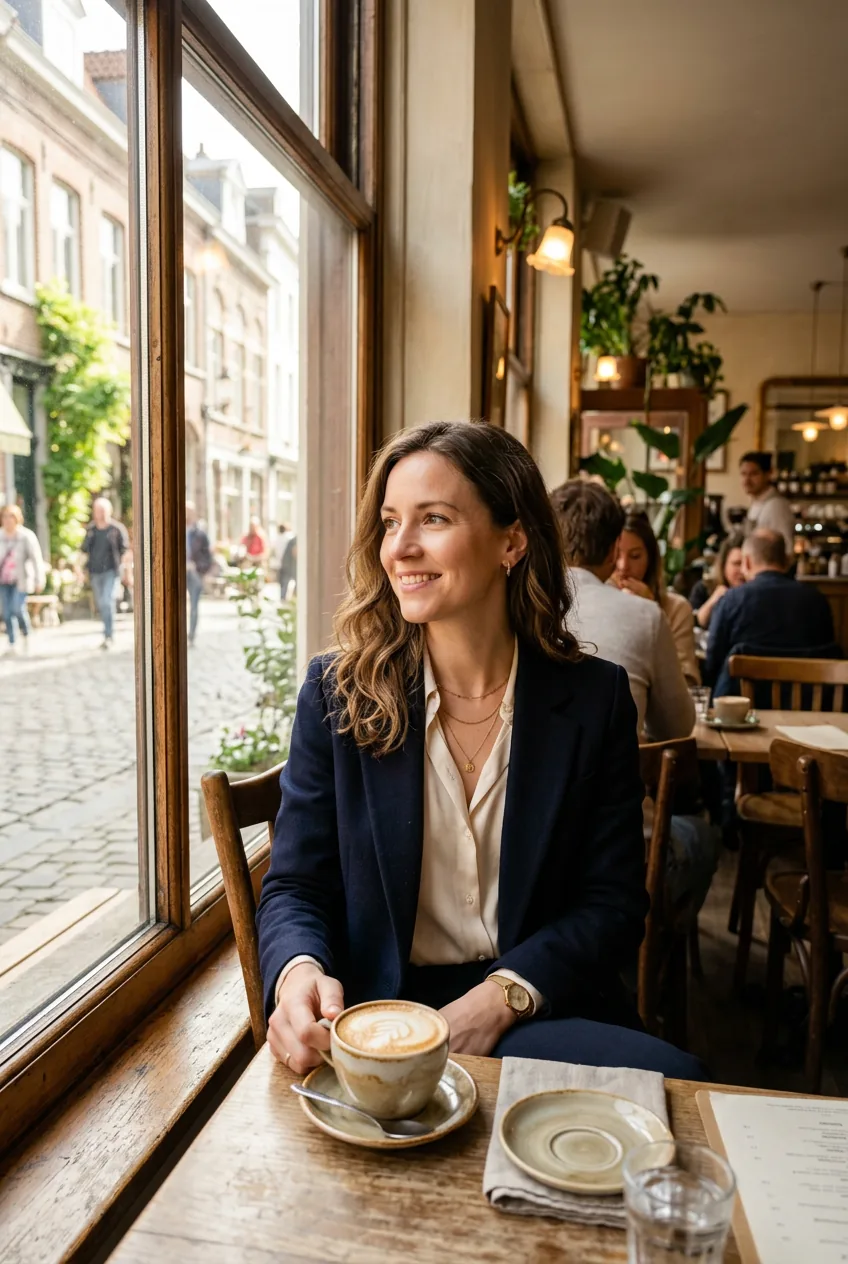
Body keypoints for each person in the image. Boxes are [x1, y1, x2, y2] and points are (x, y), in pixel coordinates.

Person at [258, 421, 705, 1081]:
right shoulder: (337, 695)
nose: (401, 548)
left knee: (680, 1084)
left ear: (511, 541)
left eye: (432, 519)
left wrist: (500, 999)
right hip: (376, 1020)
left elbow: (612, 904)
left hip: (537, 1009)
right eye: (389, 522)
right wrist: (298, 973)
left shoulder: (594, 699)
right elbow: (297, 885)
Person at [550, 481, 695, 742]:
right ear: (613, 551)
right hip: (614, 779)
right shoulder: (646, 615)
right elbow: (677, 728)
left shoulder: (514, 606)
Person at [705, 529, 835, 698]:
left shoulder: (731, 600)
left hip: (742, 711)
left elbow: (712, 663)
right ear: (786, 561)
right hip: (810, 707)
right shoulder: (818, 600)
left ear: (747, 562)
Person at [613, 510, 700, 685]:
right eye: (616, 555)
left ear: (651, 560)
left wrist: (653, 611)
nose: (623, 566)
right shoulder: (594, 604)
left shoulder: (677, 608)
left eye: (635, 556)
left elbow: (688, 681)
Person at [81, 497, 130, 650]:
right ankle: (107, 632)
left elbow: (125, 552)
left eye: (102, 511)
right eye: (97, 511)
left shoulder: (116, 529)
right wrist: (79, 569)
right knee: (101, 603)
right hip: (95, 572)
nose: (99, 514)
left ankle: (108, 635)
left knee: (106, 601)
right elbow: (83, 551)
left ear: (108, 511)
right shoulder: (91, 530)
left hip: (111, 571)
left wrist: (127, 573)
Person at [0, 504, 45, 656]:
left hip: (21, 580)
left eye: (11, 516)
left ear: (17, 518)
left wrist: (40, 579)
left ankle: (26, 634)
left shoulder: (26, 536)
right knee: (6, 612)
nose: (7, 520)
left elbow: (36, 559)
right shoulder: (0, 536)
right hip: (3, 580)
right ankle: (12, 642)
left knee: (17, 609)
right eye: (5, 517)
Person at [739, 452, 796, 555]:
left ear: (768, 474)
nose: (746, 480)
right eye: (743, 474)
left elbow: (786, 549)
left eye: (753, 474)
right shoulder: (756, 503)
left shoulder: (776, 506)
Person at [689, 533, 745, 630]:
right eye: (736, 564)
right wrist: (714, 600)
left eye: (746, 564)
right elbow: (694, 623)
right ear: (724, 565)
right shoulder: (703, 588)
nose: (742, 570)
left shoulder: (755, 595)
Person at [186, 502, 213, 647]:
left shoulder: (199, 534)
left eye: (189, 512)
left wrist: (199, 568)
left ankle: (191, 635)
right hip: (178, 572)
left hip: (194, 571)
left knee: (194, 605)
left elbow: (207, 556)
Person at [278, 532, 297, 602]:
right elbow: (295, 552)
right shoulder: (296, 540)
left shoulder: (294, 540)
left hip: (288, 565)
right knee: (286, 583)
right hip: (289, 565)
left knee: (286, 583)